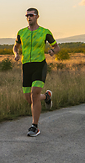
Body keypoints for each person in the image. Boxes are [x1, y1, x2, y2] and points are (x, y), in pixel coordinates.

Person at [13, 8, 60, 137]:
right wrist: (16, 54)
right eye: (27, 15)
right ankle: (47, 97)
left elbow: (56, 47)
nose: (29, 17)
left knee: (34, 93)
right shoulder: (21, 33)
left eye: (31, 15)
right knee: (29, 99)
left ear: (37, 16)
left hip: (39, 65)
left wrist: (52, 51)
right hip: (26, 66)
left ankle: (35, 126)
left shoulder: (44, 32)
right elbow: (16, 47)